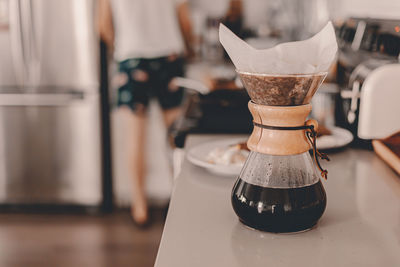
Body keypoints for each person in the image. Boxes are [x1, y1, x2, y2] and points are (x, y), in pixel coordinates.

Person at [98, 0, 193, 225]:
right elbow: (185, 23)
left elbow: (102, 26)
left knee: (135, 138)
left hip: (131, 59)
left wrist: (123, 46)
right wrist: (189, 46)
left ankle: (139, 207)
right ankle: (179, 200)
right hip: (169, 57)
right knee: (175, 138)